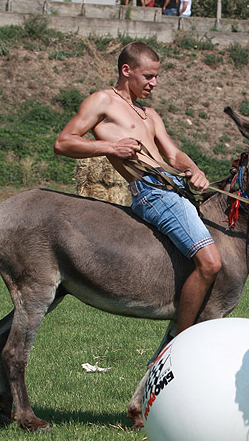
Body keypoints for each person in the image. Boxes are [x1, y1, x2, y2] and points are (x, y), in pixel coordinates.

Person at [54, 42, 221, 334]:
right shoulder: (102, 101)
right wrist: (110, 147)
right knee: (210, 264)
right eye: (148, 76)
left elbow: (173, 154)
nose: (154, 83)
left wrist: (194, 170)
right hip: (151, 192)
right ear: (126, 70)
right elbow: (63, 142)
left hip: (176, 188)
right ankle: (180, 340)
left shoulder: (149, 114)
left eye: (156, 77)